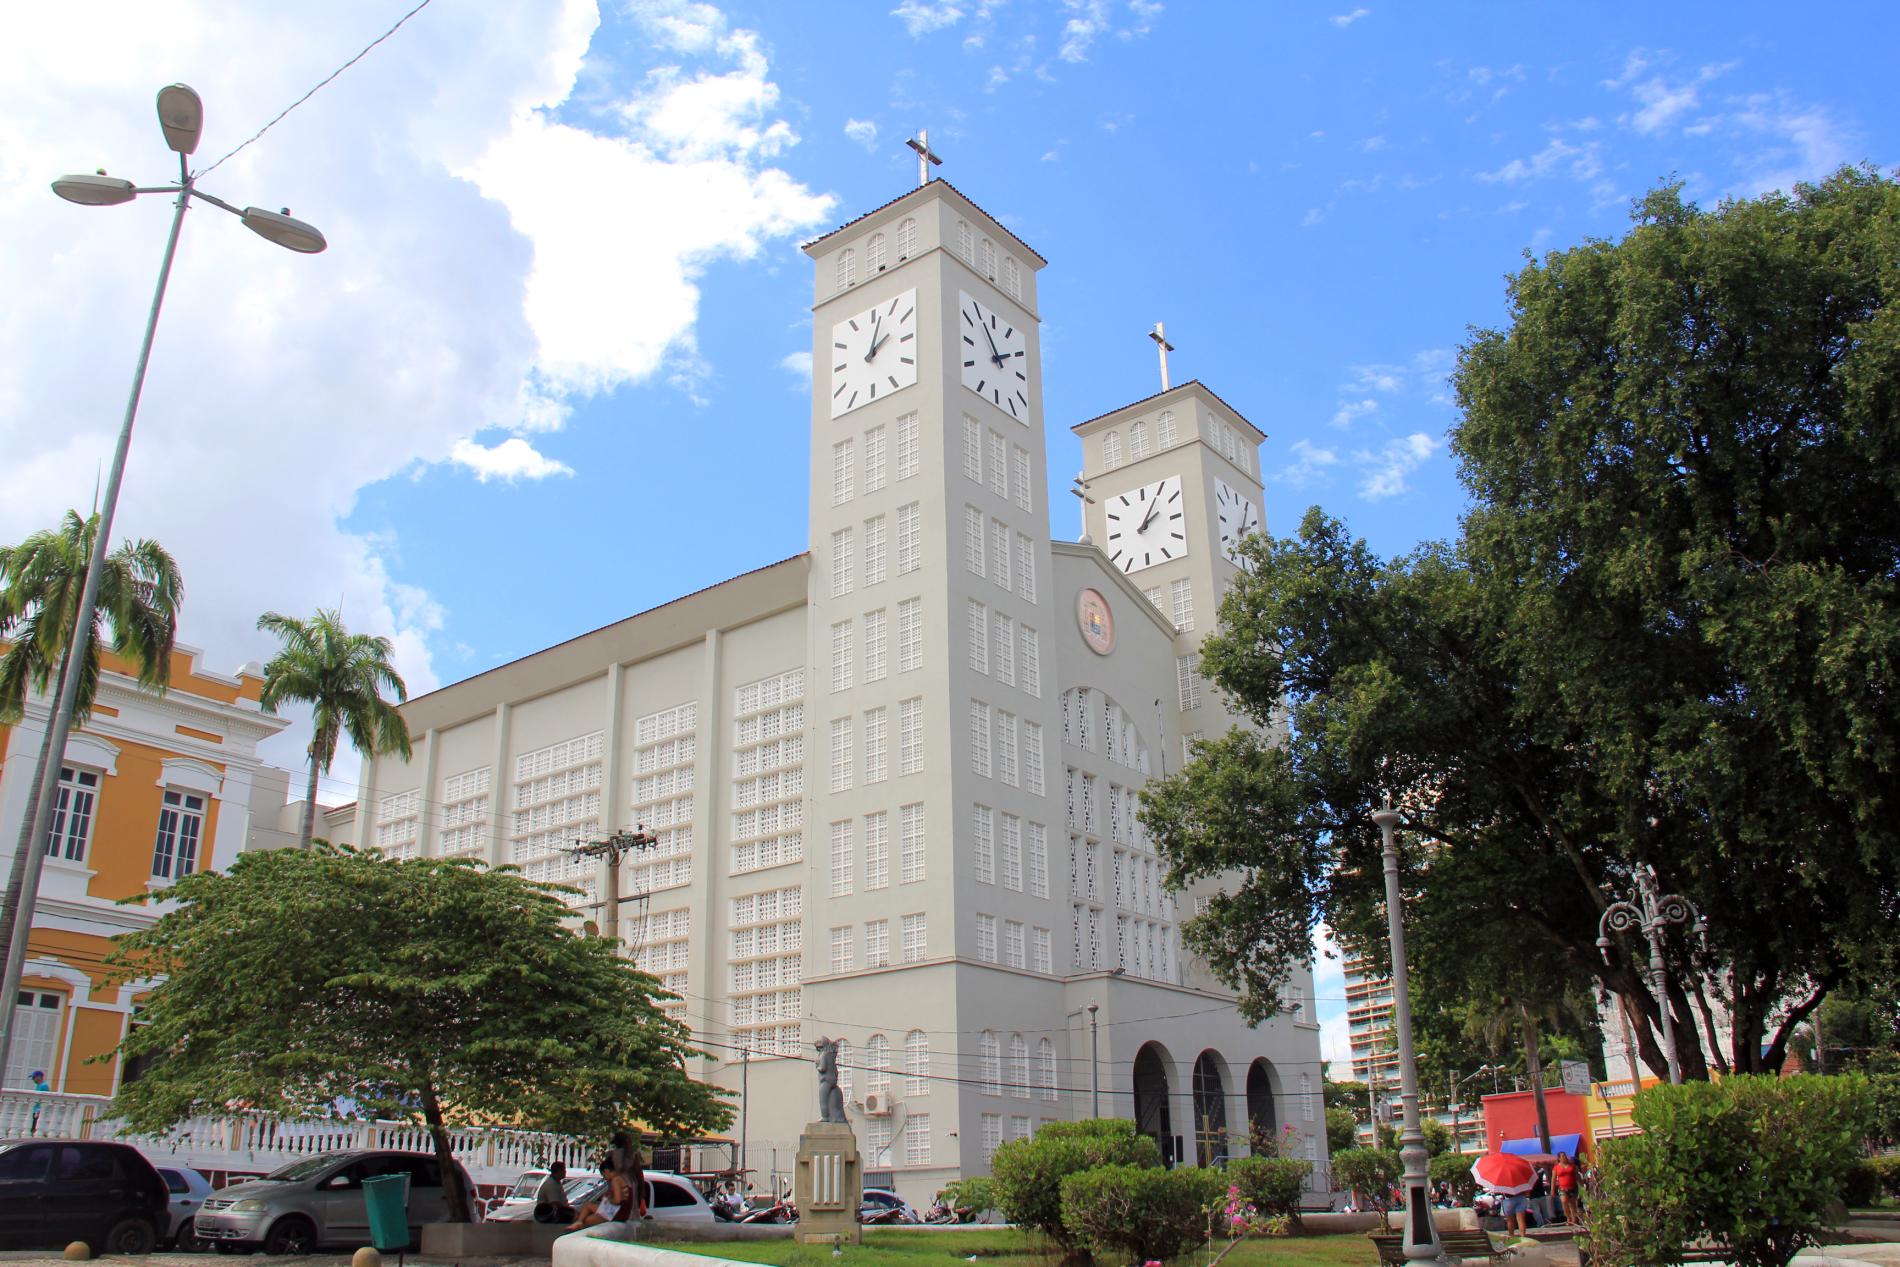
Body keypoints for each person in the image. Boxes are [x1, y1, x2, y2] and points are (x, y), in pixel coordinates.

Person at [567, 1158, 632, 1230]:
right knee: (587, 1220)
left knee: (587, 1205)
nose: (604, 1178)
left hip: (616, 1213)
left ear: (606, 1171)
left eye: (603, 1175)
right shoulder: (622, 1178)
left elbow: (617, 1200)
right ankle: (579, 1222)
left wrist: (608, 1200)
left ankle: (579, 1222)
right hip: (622, 1214)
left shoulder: (615, 1180)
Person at [608, 1131, 647, 1220]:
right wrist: (642, 1198)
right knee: (630, 1215)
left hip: (615, 1188)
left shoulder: (610, 1155)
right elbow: (639, 1177)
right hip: (630, 1188)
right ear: (627, 1142)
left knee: (616, 1213)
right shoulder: (633, 1155)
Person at [1553, 1152, 1581, 1225]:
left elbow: (1577, 1175)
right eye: (1562, 1156)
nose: (1564, 1157)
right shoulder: (1556, 1167)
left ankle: (1574, 1220)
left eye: (1565, 1155)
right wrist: (1552, 1190)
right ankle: (1568, 1217)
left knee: (1573, 1204)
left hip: (1573, 1187)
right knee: (1564, 1201)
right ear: (1559, 1158)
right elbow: (1553, 1179)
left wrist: (1581, 1183)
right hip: (1562, 1188)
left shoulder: (1572, 1165)